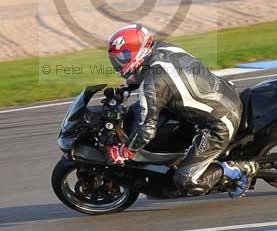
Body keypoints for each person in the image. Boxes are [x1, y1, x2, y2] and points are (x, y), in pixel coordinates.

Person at [105, 24, 258, 198]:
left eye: (124, 56)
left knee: (185, 181)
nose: (119, 63)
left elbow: (147, 130)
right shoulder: (163, 48)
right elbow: (151, 74)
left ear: (138, 52)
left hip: (219, 123)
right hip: (226, 93)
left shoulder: (154, 84)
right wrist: (125, 87)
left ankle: (236, 170)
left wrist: (125, 151)